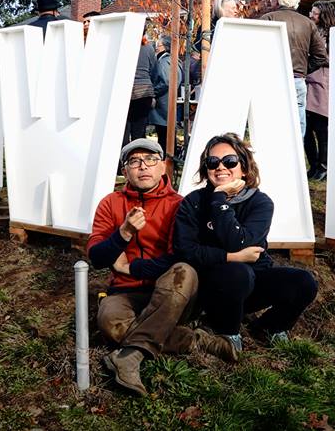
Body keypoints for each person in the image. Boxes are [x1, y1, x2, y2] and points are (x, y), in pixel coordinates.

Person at [88, 139, 237, 396]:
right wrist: (123, 233)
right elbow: (97, 257)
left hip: (171, 294)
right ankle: (197, 340)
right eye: (134, 162)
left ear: (163, 167)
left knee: (183, 270)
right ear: (125, 171)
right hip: (124, 292)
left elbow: (180, 254)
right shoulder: (110, 203)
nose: (143, 166)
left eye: (150, 160)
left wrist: (133, 268)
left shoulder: (179, 204)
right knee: (110, 322)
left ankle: (130, 357)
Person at [173, 133, 319, 352]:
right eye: (213, 162)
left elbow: (238, 242)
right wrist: (218, 199)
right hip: (211, 286)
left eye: (229, 161)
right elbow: (185, 250)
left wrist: (219, 201)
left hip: (252, 282)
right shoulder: (193, 202)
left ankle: (269, 327)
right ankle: (227, 333)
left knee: (304, 282)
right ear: (206, 169)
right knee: (238, 272)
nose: (221, 167)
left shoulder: (260, 202)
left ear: (244, 167)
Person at [259, 0, 328, 137]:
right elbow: (321, 56)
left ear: (277, 0)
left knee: (271, 125)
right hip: (298, 79)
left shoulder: (268, 18)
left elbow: (257, 52)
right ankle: (295, 159)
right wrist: (303, 70)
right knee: (297, 126)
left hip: (272, 79)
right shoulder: (308, 23)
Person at [305, 1, 335, 181]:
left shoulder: (333, 35)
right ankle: (314, 165)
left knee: (321, 128)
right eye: (311, 11)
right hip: (308, 81)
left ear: (324, 15)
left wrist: (315, 57)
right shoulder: (311, 31)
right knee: (306, 129)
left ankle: (324, 167)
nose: (311, 15)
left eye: (315, 13)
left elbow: (333, 59)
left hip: (323, 83)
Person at [124, 37, 160, 146]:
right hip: (144, 92)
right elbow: (155, 71)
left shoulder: (123, 44)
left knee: (122, 131)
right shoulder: (148, 48)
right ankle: (137, 157)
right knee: (139, 131)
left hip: (124, 91)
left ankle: (121, 159)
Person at [149, 35, 179, 152]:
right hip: (168, 103)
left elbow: (166, 81)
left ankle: (166, 159)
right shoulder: (173, 60)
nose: (156, 48)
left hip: (163, 105)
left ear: (165, 47)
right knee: (168, 135)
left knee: (164, 135)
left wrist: (153, 92)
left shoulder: (164, 62)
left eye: (158, 45)